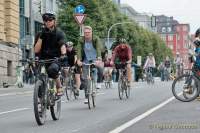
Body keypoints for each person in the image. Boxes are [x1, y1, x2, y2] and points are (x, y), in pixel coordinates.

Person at [34, 12, 66, 96]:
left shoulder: (59, 33)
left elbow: (62, 45)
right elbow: (36, 50)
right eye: (45, 20)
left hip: (55, 58)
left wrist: (63, 54)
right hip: (42, 58)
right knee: (39, 78)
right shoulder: (40, 33)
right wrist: (41, 36)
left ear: (54, 21)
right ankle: (41, 101)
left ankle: (59, 87)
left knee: (52, 70)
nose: (47, 22)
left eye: (50, 20)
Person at [76, 26, 102, 103]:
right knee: (86, 79)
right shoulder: (81, 40)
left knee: (100, 68)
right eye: (85, 33)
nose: (87, 34)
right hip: (86, 59)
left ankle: (99, 82)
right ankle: (86, 97)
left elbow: (98, 48)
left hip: (95, 58)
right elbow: (79, 50)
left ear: (91, 32)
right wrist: (79, 60)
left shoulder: (95, 39)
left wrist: (99, 58)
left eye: (88, 32)